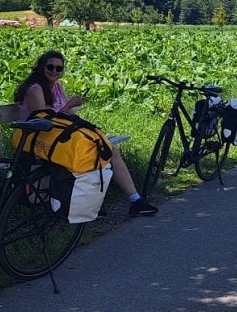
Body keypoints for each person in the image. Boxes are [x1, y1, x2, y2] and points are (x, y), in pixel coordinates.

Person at [14, 50, 158, 217]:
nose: (54, 71)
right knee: (99, 154)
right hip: (41, 142)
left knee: (105, 150)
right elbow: (42, 122)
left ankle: (112, 202)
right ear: (41, 66)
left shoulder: (56, 88)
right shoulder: (35, 90)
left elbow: (63, 119)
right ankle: (125, 201)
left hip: (57, 138)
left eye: (59, 69)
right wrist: (68, 107)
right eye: (50, 67)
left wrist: (82, 123)